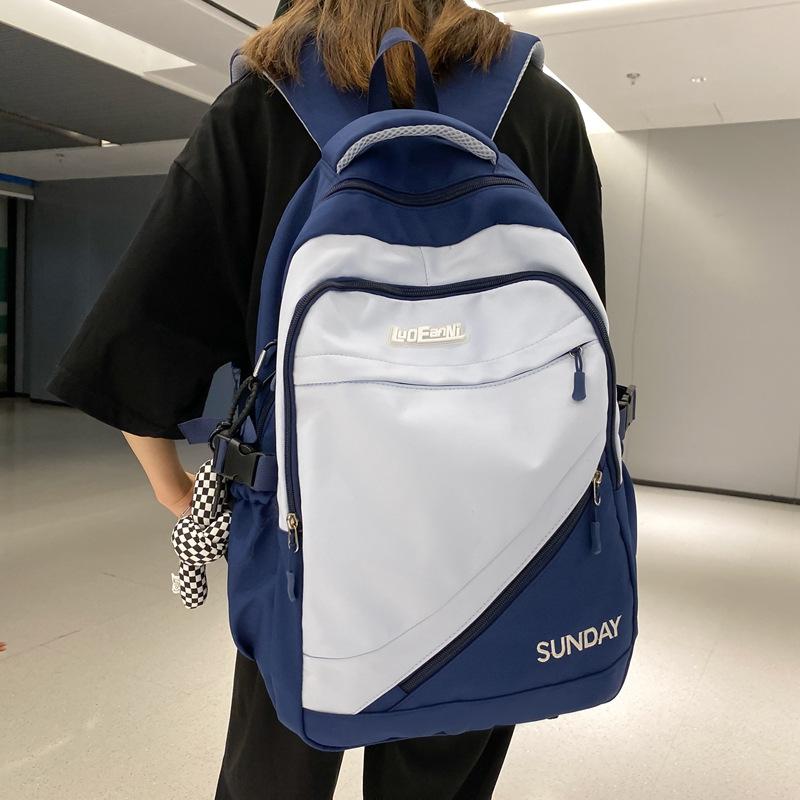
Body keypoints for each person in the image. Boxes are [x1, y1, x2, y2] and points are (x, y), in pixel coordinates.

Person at [47, 1, 606, 797]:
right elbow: (582, 342)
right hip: (498, 535)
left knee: (276, 760)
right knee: (447, 753)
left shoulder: (266, 98)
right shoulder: (539, 105)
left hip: (303, 526)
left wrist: (184, 494)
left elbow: (139, 332)